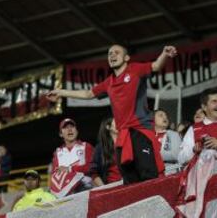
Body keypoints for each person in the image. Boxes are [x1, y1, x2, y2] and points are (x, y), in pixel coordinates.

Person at [47, 44, 177, 184]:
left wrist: (164, 54)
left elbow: (156, 66)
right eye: (109, 54)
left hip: (140, 132)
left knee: (148, 176)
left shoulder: (134, 70)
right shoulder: (109, 82)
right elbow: (88, 93)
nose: (112, 55)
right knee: (129, 180)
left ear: (126, 57)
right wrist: (61, 92)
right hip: (122, 138)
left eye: (116, 52)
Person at [50, 118, 94, 197]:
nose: (70, 129)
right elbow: (55, 175)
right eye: (66, 128)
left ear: (77, 131)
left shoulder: (86, 146)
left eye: (72, 127)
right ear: (61, 134)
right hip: (65, 193)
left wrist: (69, 169)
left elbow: (91, 167)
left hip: (85, 189)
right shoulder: (58, 152)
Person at [90, 118, 122, 186]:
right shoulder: (100, 148)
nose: (119, 123)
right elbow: (93, 172)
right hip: (112, 187)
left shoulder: (126, 142)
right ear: (108, 127)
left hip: (129, 184)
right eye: (115, 121)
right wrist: (104, 188)